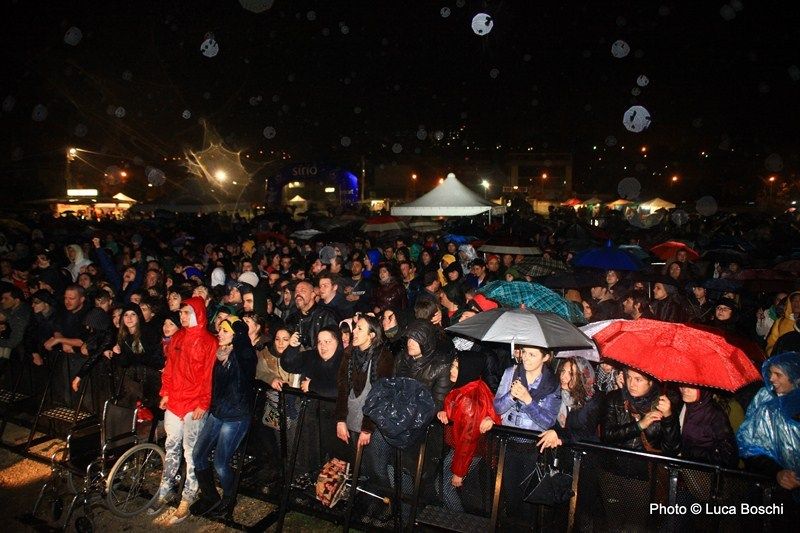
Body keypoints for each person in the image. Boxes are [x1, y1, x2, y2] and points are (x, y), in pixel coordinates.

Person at [151, 297, 217, 524]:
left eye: (187, 312)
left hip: (193, 405)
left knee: (191, 452)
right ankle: (165, 488)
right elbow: (169, 367)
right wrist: (165, 392)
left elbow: (209, 375)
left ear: (198, 313)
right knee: (171, 446)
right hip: (175, 401)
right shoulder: (177, 337)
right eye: (181, 313)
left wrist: (203, 403)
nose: (182, 317)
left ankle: (187, 497)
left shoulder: (209, 342)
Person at [190, 317, 257, 518]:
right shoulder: (218, 354)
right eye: (220, 330)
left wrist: (239, 327)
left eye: (226, 330)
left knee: (220, 463)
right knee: (198, 455)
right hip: (218, 413)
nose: (220, 333)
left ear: (236, 335)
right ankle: (210, 496)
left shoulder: (244, 356)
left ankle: (229, 498)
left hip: (235, 417)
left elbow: (246, 351)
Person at [335, 315, 394, 492]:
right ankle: (368, 504)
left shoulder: (383, 356)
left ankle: (389, 506)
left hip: (375, 426)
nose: (354, 331)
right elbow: (342, 387)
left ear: (372, 335)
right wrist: (340, 420)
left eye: (360, 328)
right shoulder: (349, 353)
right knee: (362, 467)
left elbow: (382, 395)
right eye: (355, 327)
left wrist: (367, 428)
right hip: (353, 421)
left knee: (378, 469)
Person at [437, 352, 500, 512]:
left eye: (457, 367)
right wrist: (445, 412)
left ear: (468, 370)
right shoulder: (471, 385)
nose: (451, 370)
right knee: (442, 484)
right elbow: (457, 412)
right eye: (452, 365)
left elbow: (468, 440)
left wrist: (459, 472)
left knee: (444, 487)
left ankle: (457, 522)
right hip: (464, 450)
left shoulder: (469, 400)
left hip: (467, 452)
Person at [737, 352, 800, 498]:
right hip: (774, 494)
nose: (771, 378)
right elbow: (750, 447)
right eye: (771, 373)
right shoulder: (768, 408)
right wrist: (777, 472)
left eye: (778, 374)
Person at [537, 356, 602, 451]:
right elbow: (549, 419)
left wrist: (558, 434)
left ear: (582, 377)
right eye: (563, 371)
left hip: (584, 454)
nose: (563, 376)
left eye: (571, 373)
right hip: (561, 451)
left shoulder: (593, 399)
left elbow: (586, 432)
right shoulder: (557, 393)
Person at [677, 386, 737, 466]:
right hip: (682, 468)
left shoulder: (715, 415)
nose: (685, 389)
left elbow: (729, 457)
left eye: (692, 386)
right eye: (682, 383)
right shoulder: (682, 406)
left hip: (702, 473)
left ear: (703, 389)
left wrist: (690, 452)